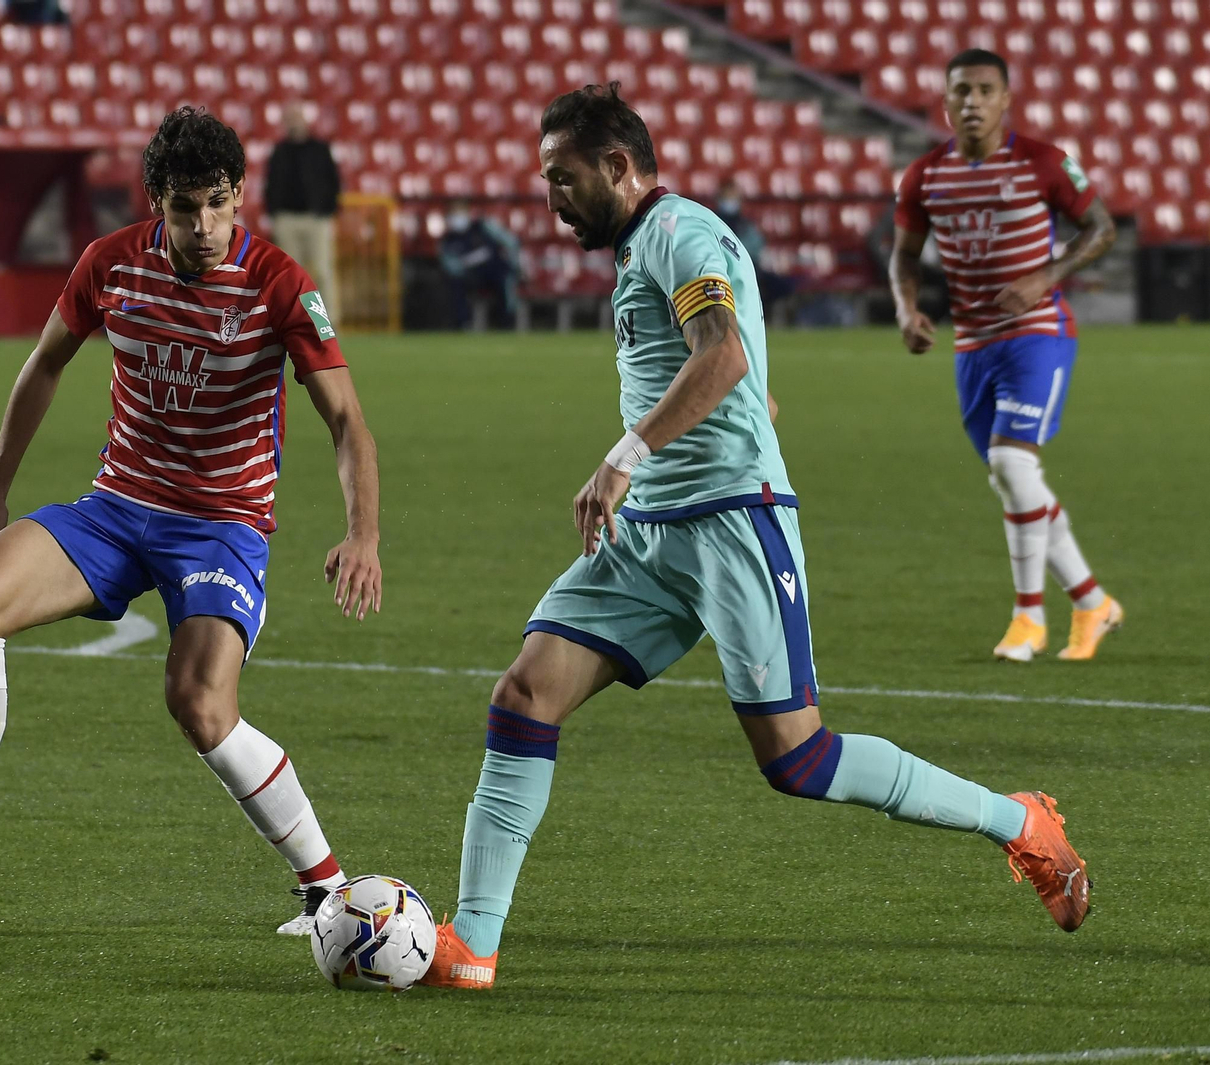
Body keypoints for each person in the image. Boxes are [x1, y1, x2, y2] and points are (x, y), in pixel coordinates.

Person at [418, 83, 1091, 991]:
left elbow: (722, 350)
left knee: (799, 759)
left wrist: (624, 453)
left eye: (564, 178)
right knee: (524, 695)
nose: (551, 199)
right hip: (650, 529)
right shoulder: (639, 250)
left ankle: (1021, 823)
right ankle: (474, 944)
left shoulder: (678, 232)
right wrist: (701, 431)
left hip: (733, 521)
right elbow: (740, 374)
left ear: (618, 166)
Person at [0, 106, 383, 937]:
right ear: (155, 203)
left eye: (215, 204)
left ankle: (327, 890)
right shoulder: (111, 265)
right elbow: (44, 364)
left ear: (240, 196)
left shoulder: (281, 284)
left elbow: (346, 419)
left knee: (199, 703)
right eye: (181, 207)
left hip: (220, 524)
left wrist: (363, 531)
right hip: (117, 507)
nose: (201, 226)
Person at [890, 49, 1120, 663]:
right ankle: (1093, 602)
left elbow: (1101, 228)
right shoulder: (925, 177)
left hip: (1038, 332)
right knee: (1016, 481)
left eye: (985, 90)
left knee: (1014, 468)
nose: (972, 101)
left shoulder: (1042, 162)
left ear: (1006, 100)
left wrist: (1047, 276)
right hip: (972, 346)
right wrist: (906, 309)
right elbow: (906, 258)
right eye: (961, 90)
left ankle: (1028, 619)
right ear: (945, 100)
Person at [265, 102, 341, 323]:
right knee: (289, 276)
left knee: (323, 272)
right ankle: (291, 323)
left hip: (316, 218)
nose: (293, 123)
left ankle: (327, 323)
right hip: (287, 219)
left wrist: (327, 208)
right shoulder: (279, 151)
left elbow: (333, 182)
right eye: (289, 119)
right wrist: (275, 213)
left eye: (296, 118)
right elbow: (271, 184)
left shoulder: (320, 148)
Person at [437, 199, 522, 330]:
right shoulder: (448, 240)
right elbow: (450, 266)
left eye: (461, 212)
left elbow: (511, 242)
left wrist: (513, 261)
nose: (458, 217)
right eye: (454, 213)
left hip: (493, 269)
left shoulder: (483, 227)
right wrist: (463, 266)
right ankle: (463, 324)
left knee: (505, 276)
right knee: (454, 283)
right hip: (470, 275)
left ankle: (506, 323)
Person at [713, 178, 790, 318]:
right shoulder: (714, 221)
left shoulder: (745, 224)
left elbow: (757, 246)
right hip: (723, 269)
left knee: (781, 284)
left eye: (733, 197)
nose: (731, 201)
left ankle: (770, 318)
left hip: (750, 268)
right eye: (728, 197)